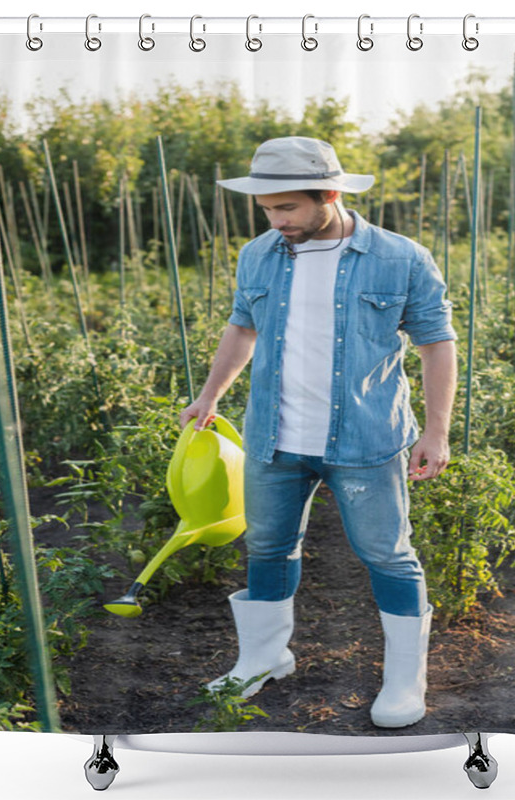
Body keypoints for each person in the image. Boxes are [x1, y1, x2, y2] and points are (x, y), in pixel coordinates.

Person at [179, 136, 457, 729]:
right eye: (267, 210)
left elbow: (438, 344)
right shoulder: (259, 254)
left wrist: (437, 431)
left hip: (364, 440)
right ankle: (263, 658)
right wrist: (209, 396)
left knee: (387, 555)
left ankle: (405, 680)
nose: (276, 221)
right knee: (268, 549)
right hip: (274, 439)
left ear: (329, 195)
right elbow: (242, 328)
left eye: (287, 209)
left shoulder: (399, 257)